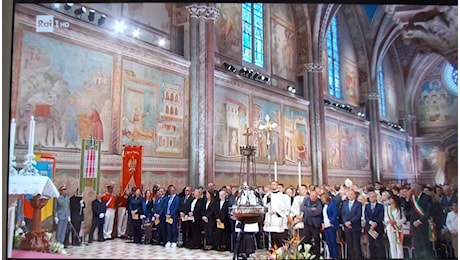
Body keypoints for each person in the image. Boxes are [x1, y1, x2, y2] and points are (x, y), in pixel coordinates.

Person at [405, 183, 434, 258]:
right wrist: (407, 198)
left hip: (423, 224)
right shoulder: (412, 198)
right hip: (414, 224)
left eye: (413, 190)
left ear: (418, 189)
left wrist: (420, 221)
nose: (412, 191)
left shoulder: (427, 197)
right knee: (417, 244)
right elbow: (406, 208)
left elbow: (428, 212)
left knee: (425, 244)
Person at [263, 181, 289, 249]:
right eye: (272, 184)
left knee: (278, 237)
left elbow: (283, 207)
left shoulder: (281, 195)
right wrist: (268, 198)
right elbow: (264, 204)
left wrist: (275, 212)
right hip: (270, 218)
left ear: (277, 186)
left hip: (277, 218)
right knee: (271, 237)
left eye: (274, 184)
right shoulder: (268, 194)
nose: (273, 186)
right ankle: (271, 251)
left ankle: (279, 251)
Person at [301, 190, 322, 260]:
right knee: (306, 240)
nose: (313, 198)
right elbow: (302, 208)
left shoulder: (319, 201)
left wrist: (307, 211)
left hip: (315, 224)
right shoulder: (306, 199)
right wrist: (311, 210)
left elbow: (318, 212)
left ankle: (317, 255)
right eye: (312, 196)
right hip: (307, 223)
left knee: (316, 240)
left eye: (314, 196)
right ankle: (308, 254)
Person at [341, 190, 362, 259]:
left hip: (355, 227)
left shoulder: (358, 204)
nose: (350, 196)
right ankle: (351, 257)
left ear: (355, 195)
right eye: (349, 194)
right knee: (349, 244)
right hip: (347, 227)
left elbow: (358, 215)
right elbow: (343, 214)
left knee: (356, 244)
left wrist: (350, 222)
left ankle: (357, 257)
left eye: (351, 194)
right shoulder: (345, 203)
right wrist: (345, 222)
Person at [384, 195, 407, 259]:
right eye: (389, 199)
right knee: (392, 244)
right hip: (390, 228)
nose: (390, 200)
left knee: (399, 244)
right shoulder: (387, 209)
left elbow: (404, 219)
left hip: (398, 228)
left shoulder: (400, 209)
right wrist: (389, 221)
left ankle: (400, 257)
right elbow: (385, 218)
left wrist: (396, 222)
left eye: (391, 199)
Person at [364, 191, 385, 259]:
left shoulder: (380, 206)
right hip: (370, 227)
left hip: (378, 227)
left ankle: (380, 257)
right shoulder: (367, 206)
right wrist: (371, 222)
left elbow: (381, 216)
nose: (371, 198)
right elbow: (366, 216)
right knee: (371, 244)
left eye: (373, 197)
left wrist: (375, 223)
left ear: (376, 198)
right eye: (370, 197)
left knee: (379, 244)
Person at [320, 192, 339, 260]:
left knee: (333, 241)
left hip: (331, 225)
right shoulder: (324, 205)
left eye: (322, 198)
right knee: (328, 241)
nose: (321, 200)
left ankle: (335, 255)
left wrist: (332, 221)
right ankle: (331, 255)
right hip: (326, 226)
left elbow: (335, 214)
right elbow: (323, 215)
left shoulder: (332, 204)